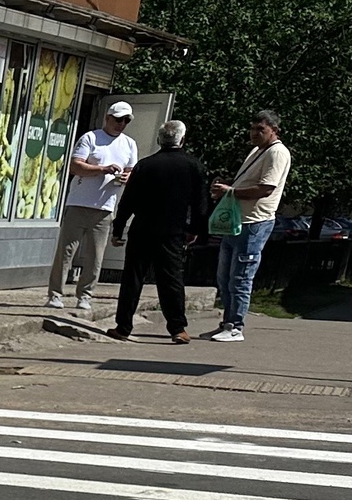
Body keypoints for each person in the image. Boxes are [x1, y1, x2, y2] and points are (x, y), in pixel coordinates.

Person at [107, 118, 210, 343]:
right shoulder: (193, 166)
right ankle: (178, 329)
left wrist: (118, 227)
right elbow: (200, 203)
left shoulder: (145, 165)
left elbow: (128, 200)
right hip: (173, 231)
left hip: (142, 229)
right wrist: (196, 229)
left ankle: (123, 327)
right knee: (171, 280)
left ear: (159, 140)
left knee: (133, 278)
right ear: (182, 139)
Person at [207, 109, 291, 342]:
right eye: (252, 128)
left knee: (241, 278)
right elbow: (247, 183)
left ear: (274, 130)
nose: (254, 133)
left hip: (254, 222)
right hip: (238, 221)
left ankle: (235, 327)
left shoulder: (277, 153)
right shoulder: (257, 150)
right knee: (224, 278)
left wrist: (230, 192)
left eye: (260, 129)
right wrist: (226, 189)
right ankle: (227, 322)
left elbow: (266, 189)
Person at [48, 100, 138, 315]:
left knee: (95, 256)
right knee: (66, 251)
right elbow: (75, 166)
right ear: (108, 118)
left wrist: (127, 177)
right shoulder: (91, 137)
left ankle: (85, 295)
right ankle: (55, 294)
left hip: (105, 207)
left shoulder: (129, 144)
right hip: (79, 203)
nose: (121, 124)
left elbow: (132, 171)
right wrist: (102, 169)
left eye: (126, 121)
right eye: (118, 119)